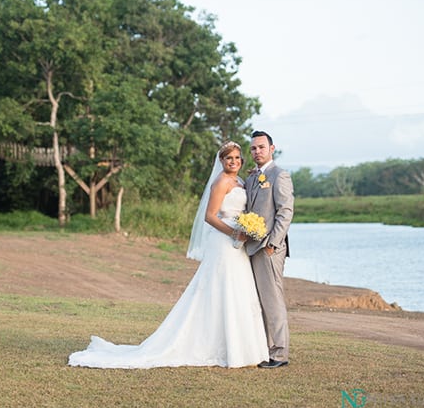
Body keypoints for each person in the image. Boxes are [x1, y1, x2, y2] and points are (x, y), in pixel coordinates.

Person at [68, 141, 269, 368]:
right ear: (221, 161)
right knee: (221, 287)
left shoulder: (240, 180)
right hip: (224, 241)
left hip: (237, 242)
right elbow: (210, 216)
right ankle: (216, 346)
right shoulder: (220, 182)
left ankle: (241, 347)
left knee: (236, 288)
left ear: (242, 160)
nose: (233, 162)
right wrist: (234, 232)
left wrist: (245, 229)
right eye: (228, 158)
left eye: (237, 158)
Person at [245, 130, 294, 369]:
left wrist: (273, 244)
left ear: (271, 149)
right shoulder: (253, 177)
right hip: (251, 248)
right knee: (259, 301)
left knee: (272, 300)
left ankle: (279, 353)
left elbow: (285, 212)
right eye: (253, 148)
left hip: (269, 249)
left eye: (261, 147)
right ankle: (263, 348)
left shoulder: (279, 175)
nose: (257, 152)